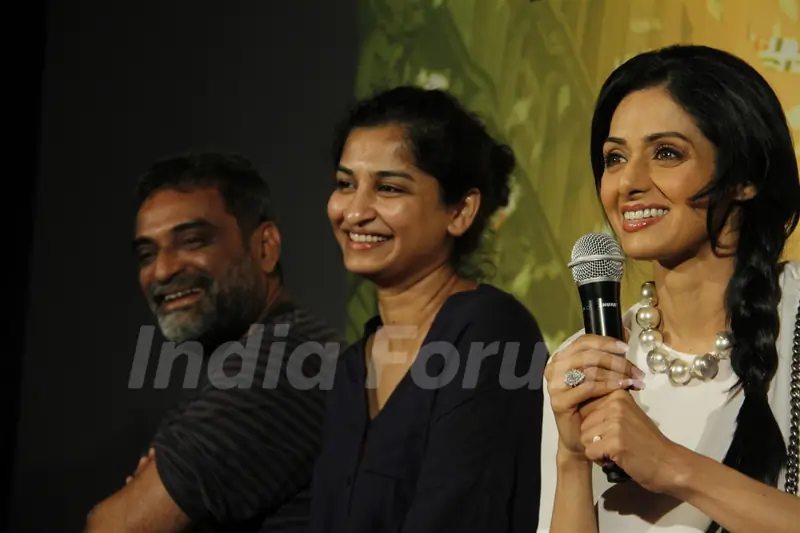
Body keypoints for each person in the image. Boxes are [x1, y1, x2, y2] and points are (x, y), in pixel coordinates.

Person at [538, 44, 800, 533]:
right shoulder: (585, 363)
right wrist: (571, 461)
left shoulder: (795, 318)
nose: (628, 183)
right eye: (615, 158)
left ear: (745, 176)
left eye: (666, 153)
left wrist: (672, 466)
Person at [309, 86, 549, 533]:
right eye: (345, 184)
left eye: (388, 188)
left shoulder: (491, 331)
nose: (354, 212)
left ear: (460, 212)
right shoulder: (350, 369)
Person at [84, 152, 344, 532]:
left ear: (265, 248)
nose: (163, 270)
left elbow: (113, 527)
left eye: (192, 241)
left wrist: (148, 493)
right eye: (147, 254)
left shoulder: (285, 364)